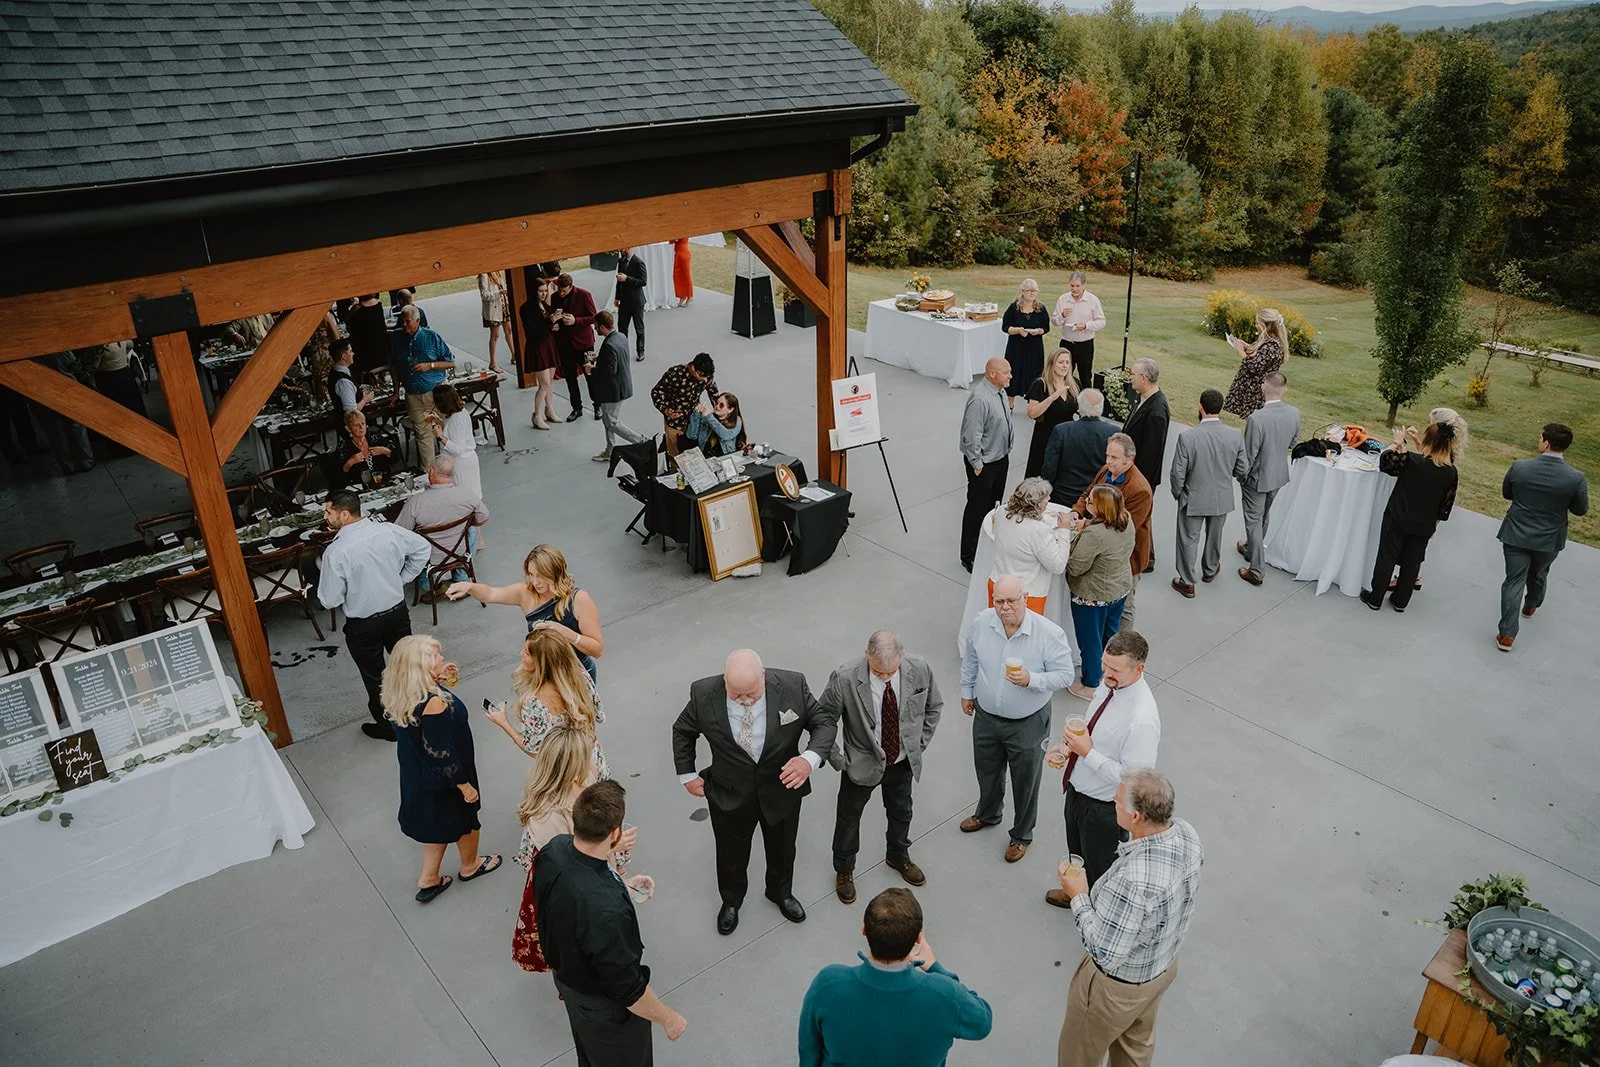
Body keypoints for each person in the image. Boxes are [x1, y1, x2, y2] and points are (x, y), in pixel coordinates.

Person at [671, 649, 837, 934]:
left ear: (763, 676)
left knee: (783, 848)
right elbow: (683, 730)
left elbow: (823, 722)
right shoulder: (703, 693)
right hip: (729, 794)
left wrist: (808, 760)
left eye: (751, 693)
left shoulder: (793, 685)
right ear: (724, 680)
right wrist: (687, 775)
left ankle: (780, 892)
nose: (745, 700)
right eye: (736, 694)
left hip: (782, 789)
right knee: (730, 854)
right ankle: (731, 901)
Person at [1055, 768, 1202, 1067]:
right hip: (1160, 967)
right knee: (1135, 1050)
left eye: (1118, 800)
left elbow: (1104, 953)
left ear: (1135, 817)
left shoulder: (1132, 881)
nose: (1113, 799)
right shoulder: (1187, 833)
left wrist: (1078, 895)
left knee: (1078, 1055)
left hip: (1116, 990)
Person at [535, 780, 688, 1063]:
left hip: (568, 983)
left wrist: (620, 885)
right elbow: (630, 991)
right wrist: (669, 1019)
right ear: (615, 833)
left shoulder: (553, 851)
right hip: (606, 1012)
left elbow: (572, 894)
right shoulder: (608, 913)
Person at [799, 888, 993, 1066]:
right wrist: (935, 967)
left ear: (864, 930)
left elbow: (808, 1049)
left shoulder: (828, 984)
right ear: (918, 939)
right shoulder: (946, 995)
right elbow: (982, 1023)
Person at [959, 574, 1075, 863]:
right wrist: (967, 691)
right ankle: (988, 813)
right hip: (986, 716)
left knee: (1025, 780)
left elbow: (1065, 675)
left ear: (1025, 598)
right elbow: (971, 658)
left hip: (1027, 722)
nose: (1005, 607)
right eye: (999, 601)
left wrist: (1031, 679)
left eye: (1011, 600)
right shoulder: (982, 623)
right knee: (986, 769)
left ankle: (1021, 835)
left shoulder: (1048, 633)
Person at [823, 631, 944, 904]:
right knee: (849, 819)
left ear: (902, 656)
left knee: (902, 811)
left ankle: (898, 855)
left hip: (901, 761)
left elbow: (934, 706)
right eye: (879, 672)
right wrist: (838, 759)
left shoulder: (920, 668)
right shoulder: (844, 678)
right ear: (867, 654)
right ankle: (844, 869)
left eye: (892, 671)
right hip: (861, 764)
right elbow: (824, 719)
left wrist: (918, 744)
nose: (886, 677)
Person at [381, 634, 501, 901]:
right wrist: (464, 786)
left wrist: (439, 678)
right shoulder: (434, 703)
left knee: (438, 821)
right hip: (447, 776)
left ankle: (429, 878)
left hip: (417, 773)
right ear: (420, 667)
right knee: (466, 818)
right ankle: (471, 865)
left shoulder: (401, 691)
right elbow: (442, 755)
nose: (442, 658)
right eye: (436, 657)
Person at [1048, 630, 1160, 910]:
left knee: (1101, 866)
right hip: (1077, 790)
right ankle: (1076, 893)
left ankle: (1097, 912)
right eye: (1104, 665)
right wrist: (1070, 746)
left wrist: (1087, 752)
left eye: (1115, 670)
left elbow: (1135, 782)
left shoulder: (1142, 720)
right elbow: (1093, 727)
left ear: (1139, 669)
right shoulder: (1111, 683)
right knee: (1076, 852)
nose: (1106, 673)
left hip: (1104, 809)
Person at [317, 490, 430, 740]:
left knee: (375, 675)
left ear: (344, 515)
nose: (325, 517)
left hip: (363, 624)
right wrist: (402, 578)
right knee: (409, 664)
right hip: (397, 613)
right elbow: (422, 548)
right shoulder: (387, 531)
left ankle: (389, 726)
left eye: (328, 512)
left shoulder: (335, 552)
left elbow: (329, 600)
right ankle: (422, 710)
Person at [445, 544, 604, 680]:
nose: (535, 582)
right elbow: (491, 594)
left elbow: (597, 649)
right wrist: (470, 586)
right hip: (545, 675)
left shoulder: (578, 599)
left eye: (540, 576)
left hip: (576, 674)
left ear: (555, 572)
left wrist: (566, 633)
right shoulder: (525, 593)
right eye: (531, 575)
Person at [511, 727, 596, 973]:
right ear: (571, 765)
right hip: (568, 882)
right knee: (572, 938)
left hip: (586, 866)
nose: (592, 760)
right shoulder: (546, 815)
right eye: (586, 756)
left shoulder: (583, 779)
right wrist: (610, 845)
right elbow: (570, 865)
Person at [1496, 423, 1588, 650]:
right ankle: (1531, 605)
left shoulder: (1520, 467)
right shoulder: (1576, 478)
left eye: (1540, 438)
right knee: (1539, 573)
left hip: (1516, 534)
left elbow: (1507, 493)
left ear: (1546, 443)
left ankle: (1507, 635)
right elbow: (1580, 510)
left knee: (1513, 581)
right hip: (1549, 539)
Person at [1359, 418, 1460, 614]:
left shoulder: (1412, 460)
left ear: (1429, 440)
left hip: (1398, 517)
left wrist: (1397, 442)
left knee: (1387, 557)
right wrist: (1435, 525)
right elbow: (1445, 506)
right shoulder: (1450, 472)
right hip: (1425, 524)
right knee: (1412, 563)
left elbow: (1386, 463)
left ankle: (1375, 598)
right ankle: (1400, 601)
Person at [487, 627, 609, 777]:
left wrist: (504, 723)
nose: (520, 654)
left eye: (527, 653)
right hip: (594, 763)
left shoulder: (534, 703)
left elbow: (536, 751)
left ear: (541, 662)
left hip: (567, 775)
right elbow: (598, 713)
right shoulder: (580, 676)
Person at [1169, 389, 1246, 598]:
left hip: (1193, 497)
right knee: (1215, 535)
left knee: (1188, 539)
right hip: (1221, 497)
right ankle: (1210, 569)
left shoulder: (1187, 437)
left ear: (1200, 407)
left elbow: (1177, 473)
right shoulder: (1235, 434)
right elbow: (1242, 469)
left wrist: (1178, 494)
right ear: (1220, 408)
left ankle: (1187, 582)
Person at [1070, 434, 1152, 630]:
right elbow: (1087, 493)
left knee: (1124, 605)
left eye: (1114, 457)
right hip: (1100, 548)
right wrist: (1076, 512)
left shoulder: (1140, 490)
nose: (1108, 461)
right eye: (1107, 455)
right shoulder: (1105, 471)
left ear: (1129, 460)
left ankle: (1122, 643)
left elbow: (1121, 528)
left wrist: (1086, 525)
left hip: (1127, 558)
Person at [1064, 486, 1136, 701]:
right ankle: (1109, 672)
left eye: (1090, 501)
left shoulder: (1095, 535)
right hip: (1119, 589)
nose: (1086, 501)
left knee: (1090, 642)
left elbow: (1076, 567)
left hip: (1093, 596)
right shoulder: (1126, 519)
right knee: (1109, 635)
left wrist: (1072, 537)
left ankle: (1090, 684)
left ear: (1101, 508)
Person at [1235, 372, 1300, 587]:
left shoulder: (1257, 418)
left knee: (1253, 521)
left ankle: (1256, 570)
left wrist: (1241, 476)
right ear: (1284, 390)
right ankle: (1250, 548)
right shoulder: (1294, 413)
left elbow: (1249, 455)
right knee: (1263, 514)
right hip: (1278, 475)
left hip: (1257, 478)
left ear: (1263, 387)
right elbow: (1293, 443)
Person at [393, 454, 489, 590]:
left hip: (430, 557)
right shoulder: (466, 494)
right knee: (472, 531)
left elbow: (399, 533)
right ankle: (461, 577)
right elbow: (483, 517)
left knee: (409, 543)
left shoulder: (415, 502)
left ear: (431, 471)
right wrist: (462, 525)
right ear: (453, 474)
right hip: (459, 551)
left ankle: (429, 585)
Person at [959, 357, 1015, 573]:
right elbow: (970, 435)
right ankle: (970, 555)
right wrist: (977, 464)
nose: (1010, 376)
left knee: (994, 507)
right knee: (977, 509)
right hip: (984, 465)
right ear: (992, 374)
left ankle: (987, 546)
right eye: (1006, 372)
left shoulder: (999, 392)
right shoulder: (980, 399)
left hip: (1000, 458)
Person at [990, 477, 1073, 614]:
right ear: (1036, 503)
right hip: (1025, 596)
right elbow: (1058, 566)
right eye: (1046, 497)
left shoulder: (1001, 512)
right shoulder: (1038, 531)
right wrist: (1064, 530)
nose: (1049, 498)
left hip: (998, 585)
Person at [1121, 358, 1170, 573]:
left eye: (1132, 374)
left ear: (1143, 378)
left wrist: (1137, 481)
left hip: (1142, 477)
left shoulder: (1157, 410)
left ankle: (1145, 559)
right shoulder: (1145, 398)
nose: (1130, 377)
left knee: (1140, 519)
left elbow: (1151, 452)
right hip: (1137, 473)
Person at [588, 310, 649, 463]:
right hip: (622, 386)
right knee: (607, 419)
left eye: (596, 326)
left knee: (611, 422)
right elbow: (616, 358)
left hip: (613, 391)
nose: (595, 329)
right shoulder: (620, 337)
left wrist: (591, 369)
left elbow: (609, 371)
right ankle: (610, 450)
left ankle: (642, 441)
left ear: (602, 327)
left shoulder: (609, 344)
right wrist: (599, 358)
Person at [1042, 388, 1118, 507]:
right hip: (1096, 498)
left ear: (1079, 406)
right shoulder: (1113, 433)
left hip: (1063, 495)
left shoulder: (1062, 430)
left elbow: (1049, 468)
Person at [398, 304, 453, 468]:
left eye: (408, 321)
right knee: (423, 436)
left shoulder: (431, 336)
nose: (404, 325)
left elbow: (450, 362)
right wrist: (395, 390)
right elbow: (394, 365)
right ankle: (428, 473)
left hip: (434, 393)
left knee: (444, 430)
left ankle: (450, 468)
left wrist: (430, 366)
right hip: (413, 396)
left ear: (417, 320)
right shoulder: (396, 339)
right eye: (402, 321)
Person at [548, 273, 598, 422]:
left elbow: (593, 317)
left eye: (564, 291)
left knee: (591, 376)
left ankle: (598, 406)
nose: (561, 293)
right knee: (570, 378)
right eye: (559, 290)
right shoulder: (555, 297)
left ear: (571, 286)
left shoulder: (584, 295)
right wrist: (554, 324)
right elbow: (553, 315)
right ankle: (577, 408)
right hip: (565, 344)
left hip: (585, 343)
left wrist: (576, 320)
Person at [1024, 347, 1080, 479]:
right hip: (1046, 436)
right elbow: (1032, 413)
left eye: (1067, 362)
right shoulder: (1041, 384)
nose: (1064, 366)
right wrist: (1052, 397)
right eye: (1061, 362)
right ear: (1052, 364)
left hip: (1067, 435)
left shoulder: (1074, 383)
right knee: (1041, 472)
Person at [651, 352, 718, 459]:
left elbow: (713, 392)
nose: (705, 380)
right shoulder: (675, 374)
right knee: (675, 455)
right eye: (701, 375)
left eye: (707, 377)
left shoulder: (706, 376)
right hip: (674, 422)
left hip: (694, 420)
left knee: (693, 454)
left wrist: (718, 410)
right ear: (692, 368)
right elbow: (657, 392)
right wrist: (666, 410)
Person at [1222, 308, 1287, 419]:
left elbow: (1254, 366)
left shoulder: (1273, 345)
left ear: (1265, 326)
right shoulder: (1269, 341)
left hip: (1257, 391)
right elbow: (1260, 356)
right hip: (1253, 389)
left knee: (1254, 420)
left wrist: (1241, 351)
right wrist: (1248, 347)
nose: (1256, 325)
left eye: (1258, 323)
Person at [519, 271, 562, 429]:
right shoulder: (526, 308)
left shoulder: (545, 305)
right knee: (544, 383)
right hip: (537, 346)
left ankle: (549, 410)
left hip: (548, 344)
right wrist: (549, 322)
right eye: (540, 291)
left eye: (545, 290)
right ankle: (537, 416)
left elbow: (546, 326)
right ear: (534, 291)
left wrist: (554, 326)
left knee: (549, 381)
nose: (544, 294)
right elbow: (532, 331)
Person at [424, 383, 480, 500]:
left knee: (465, 498)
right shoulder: (459, 412)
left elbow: (458, 449)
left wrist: (440, 436)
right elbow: (452, 431)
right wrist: (438, 421)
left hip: (461, 464)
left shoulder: (456, 420)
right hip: (463, 461)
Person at [1052, 272, 1106, 391]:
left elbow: (1101, 321)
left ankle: (1086, 401)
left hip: (1085, 344)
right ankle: (1062, 399)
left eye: (1077, 286)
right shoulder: (1063, 299)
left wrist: (1086, 325)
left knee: (1085, 377)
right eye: (1072, 286)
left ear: (1083, 285)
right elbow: (1055, 321)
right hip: (1066, 344)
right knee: (1062, 375)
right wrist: (1062, 315)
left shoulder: (1092, 300)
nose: (1074, 289)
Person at [1002, 278, 1050, 411]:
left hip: (1034, 348)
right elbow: (1005, 327)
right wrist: (1017, 330)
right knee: (1014, 373)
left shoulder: (1041, 309)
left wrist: (1039, 331)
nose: (1032, 293)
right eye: (1029, 290)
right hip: (1016, 348)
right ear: (1022, 292)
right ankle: (1009, 403)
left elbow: (1046, 327)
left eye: (1035, 291)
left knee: (1034, 374)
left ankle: (1033, 405)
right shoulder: (1014, 308)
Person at [336, 410, 397, 488]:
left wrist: (385, 451)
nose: (361, 428)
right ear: (348, 429)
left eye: (363, 423)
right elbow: (338, 479)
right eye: (356, 425)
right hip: (360, 487)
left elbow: (395, 459)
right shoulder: (344, 446)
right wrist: (349, 463)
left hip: (384, 483)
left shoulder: (375, 437)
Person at [686, 392, 747, 458]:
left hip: (725, 458)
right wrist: (696, 414)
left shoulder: (736, 420)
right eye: (716, 403)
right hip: (706, 458)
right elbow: (691, 435)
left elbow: (726, 435)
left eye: (721, 405)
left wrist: (709, 417)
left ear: (730, 410)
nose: (717, 406)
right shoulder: (708, 418)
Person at [614, 246, 648, 362]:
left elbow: (643, 281)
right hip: (624, 301)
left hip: (637, 302)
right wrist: (617, 297)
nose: (620, 250)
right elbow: (619, 282)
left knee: (639, 328)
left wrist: (627, 279)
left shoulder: (639, 263)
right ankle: (623, 351)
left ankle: (640, 351)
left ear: (629, 248)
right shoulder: (621, 261)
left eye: (622, 249)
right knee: (622, 328)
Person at [345, 293, 389, 376]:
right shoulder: (378, 305)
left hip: (364, 350)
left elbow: (347, 322)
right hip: (381, 348)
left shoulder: (357, 309)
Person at [327, 338, 370, 416]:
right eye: (350, 351)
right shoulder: (343, 381)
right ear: (344, 356)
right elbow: (351, 411)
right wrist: (365, 400)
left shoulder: (336, 372)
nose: (353, 353)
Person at [476, 270, 507, 374]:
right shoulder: (484, 276)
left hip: (503, 306)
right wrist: (499, 293)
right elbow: (484, 295)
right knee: (495, 335)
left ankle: (514, 355)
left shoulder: (498, 272)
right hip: (493, 309)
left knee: (509, 330)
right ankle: (493, 362)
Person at [673, 236, 694, 306]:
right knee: (678, 277)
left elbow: (675, 239)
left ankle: (689, 296)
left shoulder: (683, 232)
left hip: (683, 254)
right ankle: (682, 295)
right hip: (678, 255)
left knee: (686, 276)